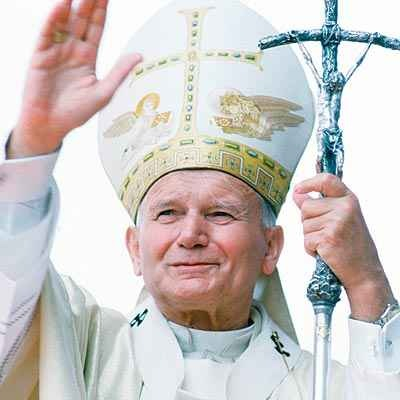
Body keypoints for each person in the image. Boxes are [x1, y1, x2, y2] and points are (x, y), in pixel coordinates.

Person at [0, 0, 399, 399]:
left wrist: (366, 282)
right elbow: (10, 280)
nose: (190, 234)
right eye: (168, 213)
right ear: (135, 248)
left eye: (220, 213)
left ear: (271, 247)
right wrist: (34, 143)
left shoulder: (324, 387)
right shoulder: (78, 346)